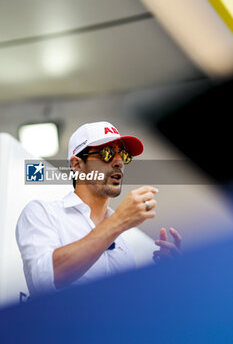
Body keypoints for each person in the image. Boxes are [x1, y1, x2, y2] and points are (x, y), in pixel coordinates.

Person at [16, 121, 181, 296]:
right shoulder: (42, 212)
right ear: (77, 165)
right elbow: (44, 281)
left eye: (123, 155)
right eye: (107, 153)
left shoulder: (123, 246)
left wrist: (164, 274)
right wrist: (118, 221)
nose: (119, 162)